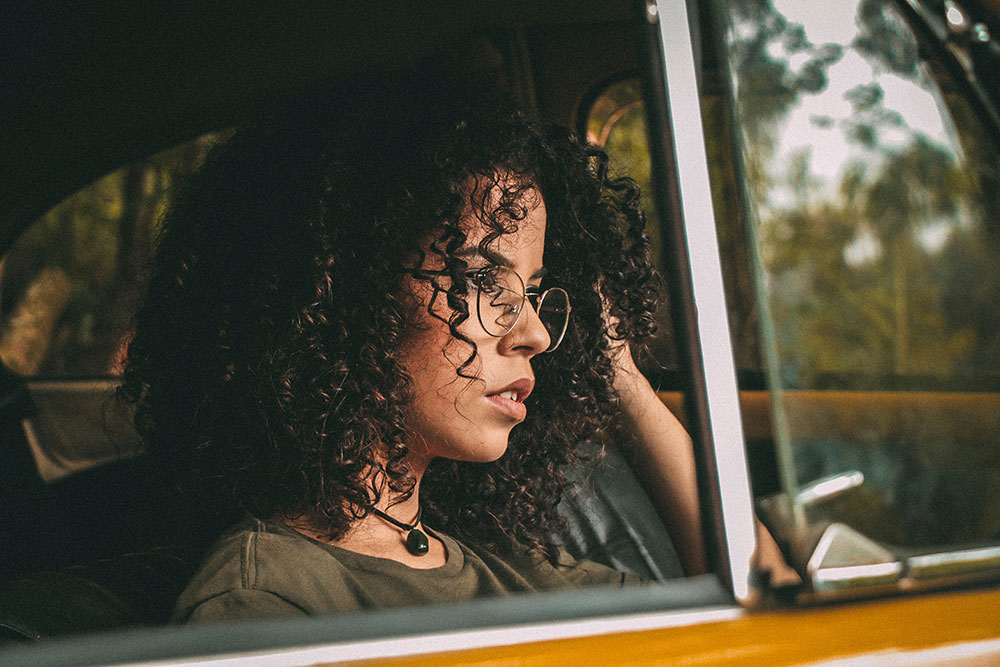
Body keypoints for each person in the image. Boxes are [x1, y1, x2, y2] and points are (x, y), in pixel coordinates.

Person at [119, 67, 710, 622]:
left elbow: (756, 603)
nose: (532, 333)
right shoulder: (265, 602)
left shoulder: (504, 567)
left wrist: (620, 375)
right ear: (342, 291)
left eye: (532, 293)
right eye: (482, 279)